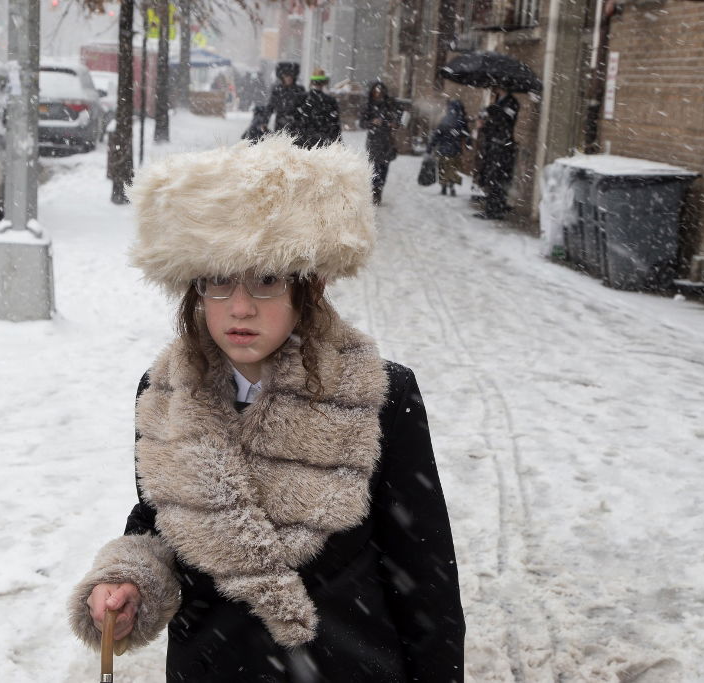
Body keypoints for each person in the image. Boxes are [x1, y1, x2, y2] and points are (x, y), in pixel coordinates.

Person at [68, 134, 465, 682]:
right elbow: (162, 519)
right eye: (217, 280)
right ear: (193, 287)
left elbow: (423, 572)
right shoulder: (163, 393)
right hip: (210, 667)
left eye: (267, 279)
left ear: (311, 283)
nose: (239, 306)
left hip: (346, 666)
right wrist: (129, 577)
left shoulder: (380, 394)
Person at [474, 87, 519, 220]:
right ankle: (491, 207)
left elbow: (506, 121)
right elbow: (494, 124)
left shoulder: (512, 103)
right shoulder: (498, 101)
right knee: (491, 177)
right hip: (494, 144)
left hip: (503, 146)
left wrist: (491, 111)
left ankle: (496, 209)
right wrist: (483, 125)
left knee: (499, 178)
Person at [359, 80, 402, 205]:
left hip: (387, 140)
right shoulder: (368, 105)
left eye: (380, 92)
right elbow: (362, 123)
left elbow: (398, 120)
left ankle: (379, 188)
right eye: (376, 92)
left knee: (384, 167)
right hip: (373, 141)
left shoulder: (390, 104)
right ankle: (375, 190)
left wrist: (394, 123)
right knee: (375, 167)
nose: (378, 94)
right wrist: (372, 122)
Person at [290, 68, 342, 149]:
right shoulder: (330, 101)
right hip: (322, 142)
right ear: (324, 83)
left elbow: (293, 121)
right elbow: (335, 125)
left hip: (303, 142)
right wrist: (338, 143)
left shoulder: (301, 98)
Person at [428, 99, 470, 197]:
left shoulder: (445, 119)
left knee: (444, 167)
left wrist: (430, 147)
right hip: (456, 149)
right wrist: (468, 144)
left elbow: (437, 134)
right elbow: (466, 134)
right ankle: (452, 186)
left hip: (443, 149)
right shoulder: (461, 121)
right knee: (454, 169)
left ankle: (444, 187)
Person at [264, 61, 306, 133]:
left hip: (296, 125)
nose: (288, 78)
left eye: (291, 75)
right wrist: (265, 121)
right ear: (282, 76)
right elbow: (270, 107)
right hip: (280, 124)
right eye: (286, 76)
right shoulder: (277, 90)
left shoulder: (300, 90)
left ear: (294, 76)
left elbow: (305, 107)